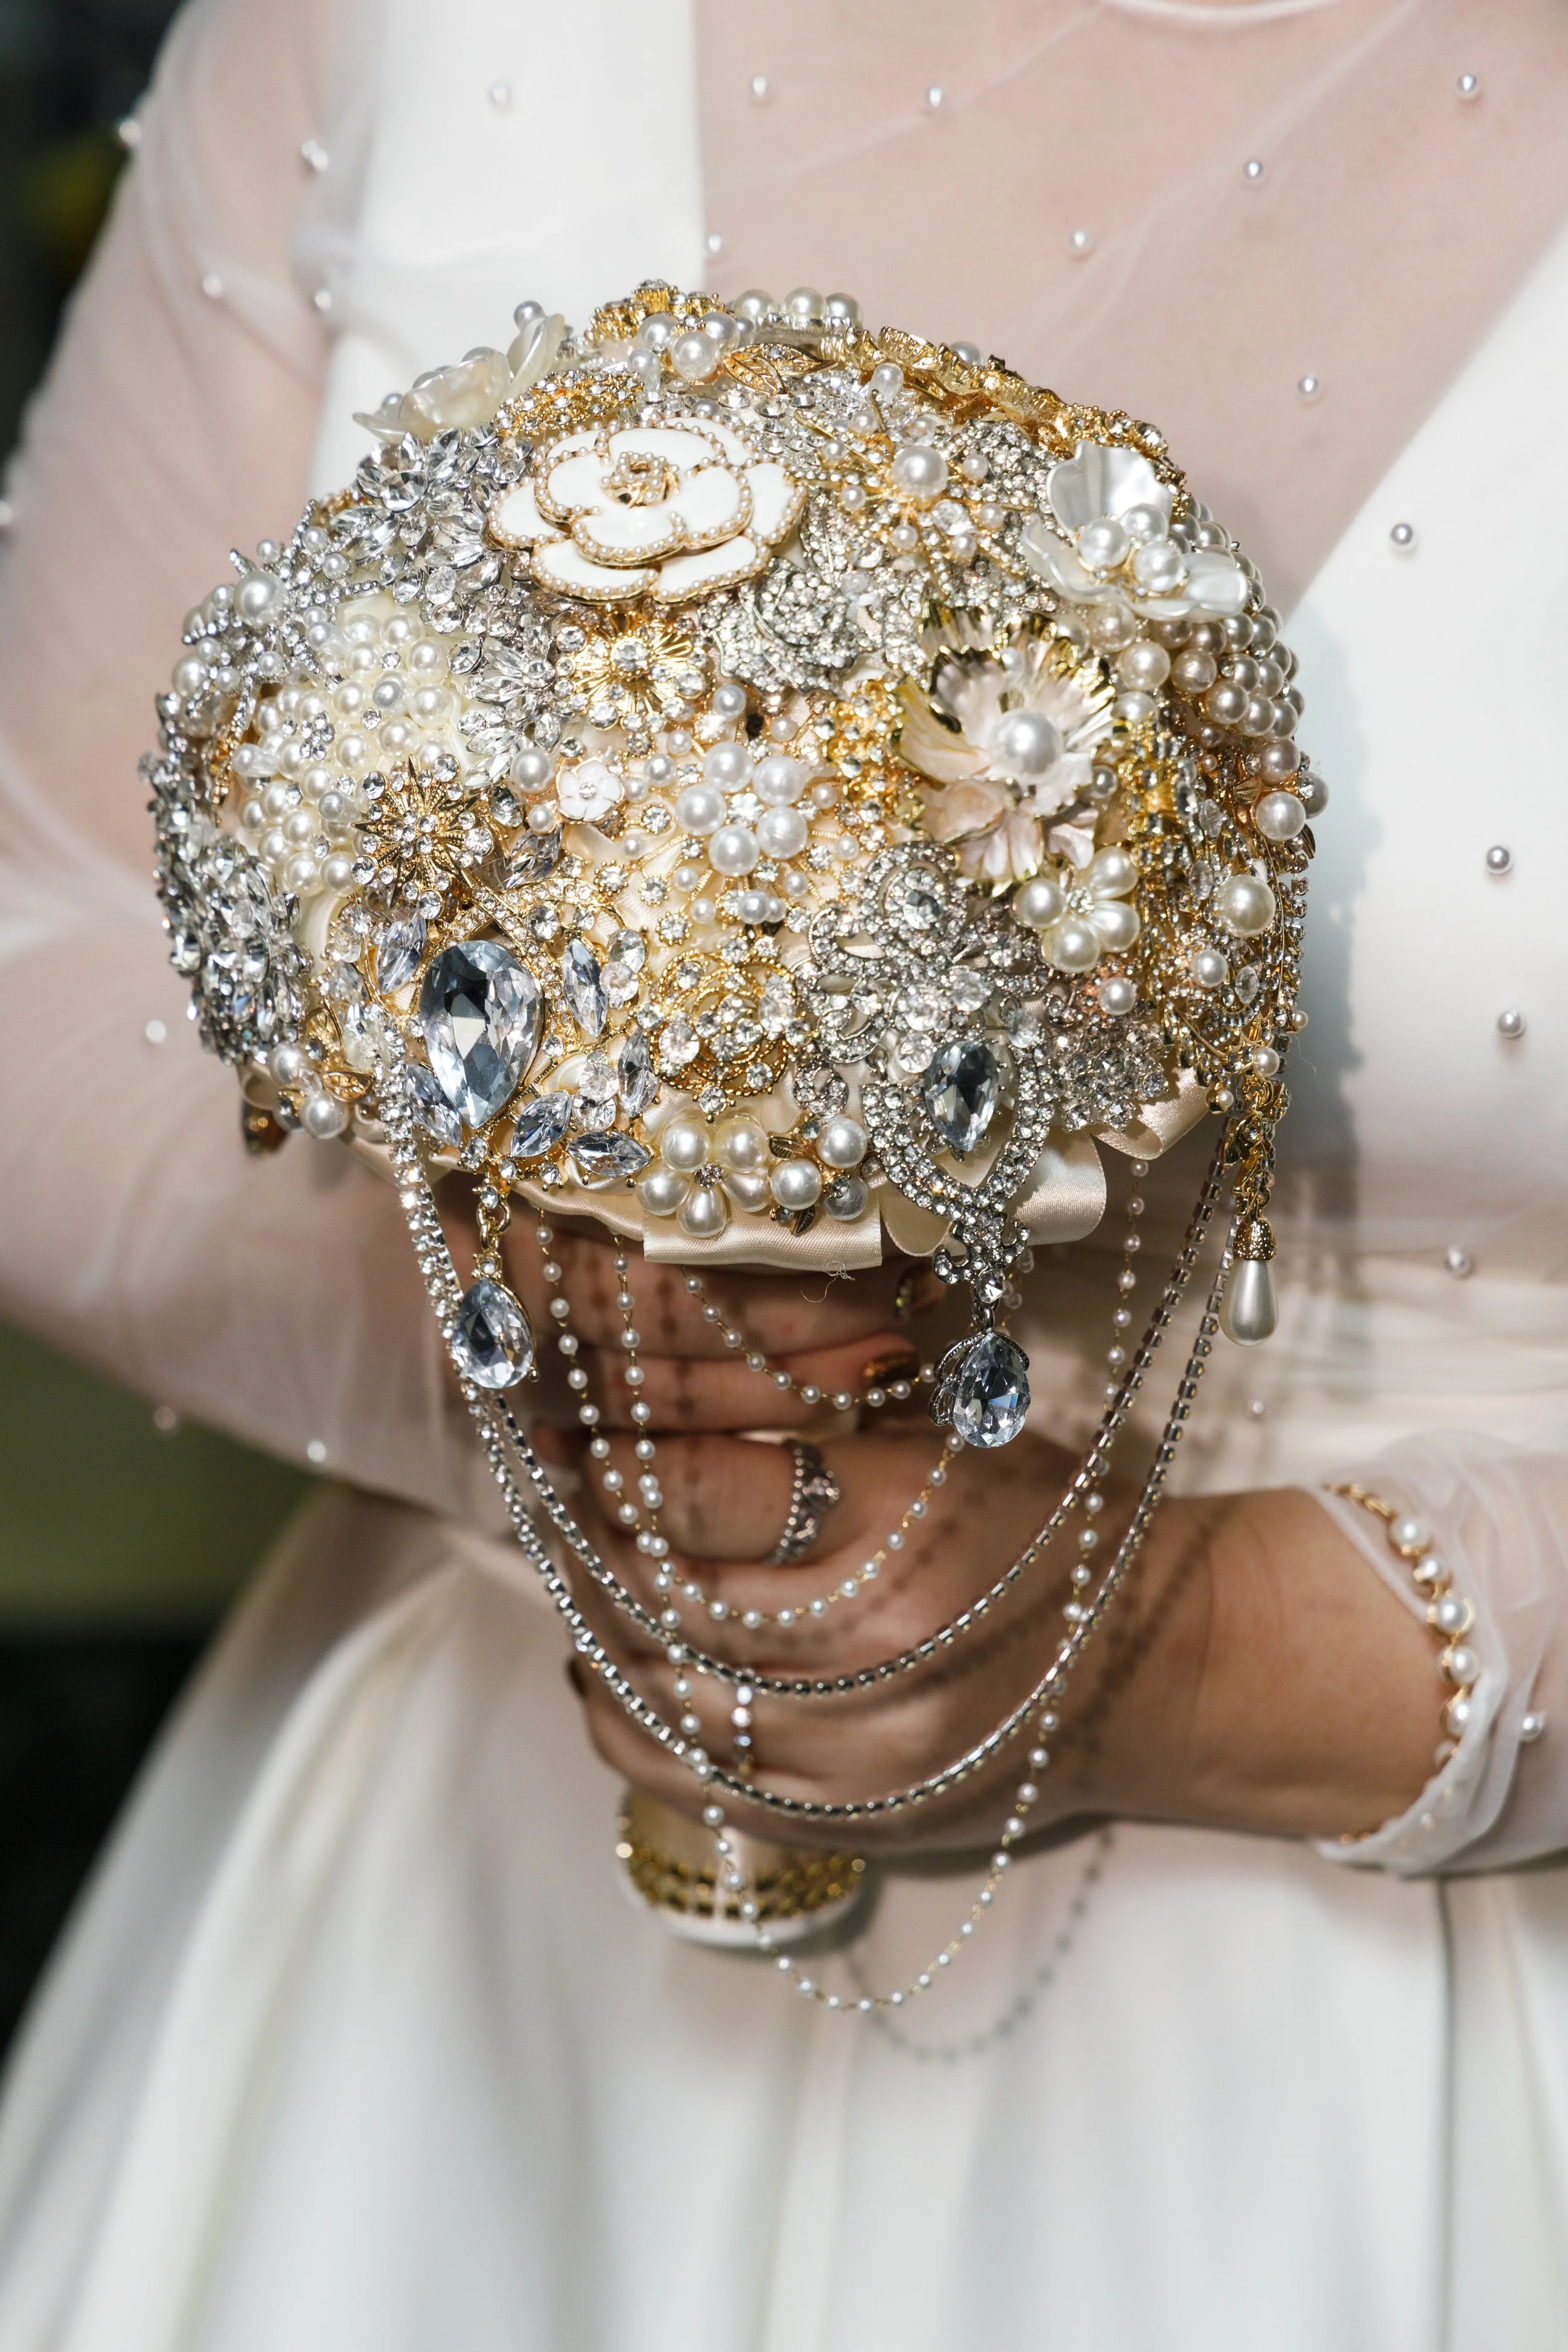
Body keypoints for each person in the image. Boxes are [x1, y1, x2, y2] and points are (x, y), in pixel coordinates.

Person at [0, 0, 1566, 2344]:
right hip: (471, 2009)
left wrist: (1216, 1650)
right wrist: (649, 1420)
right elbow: (39, 942)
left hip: (1415, 2087)